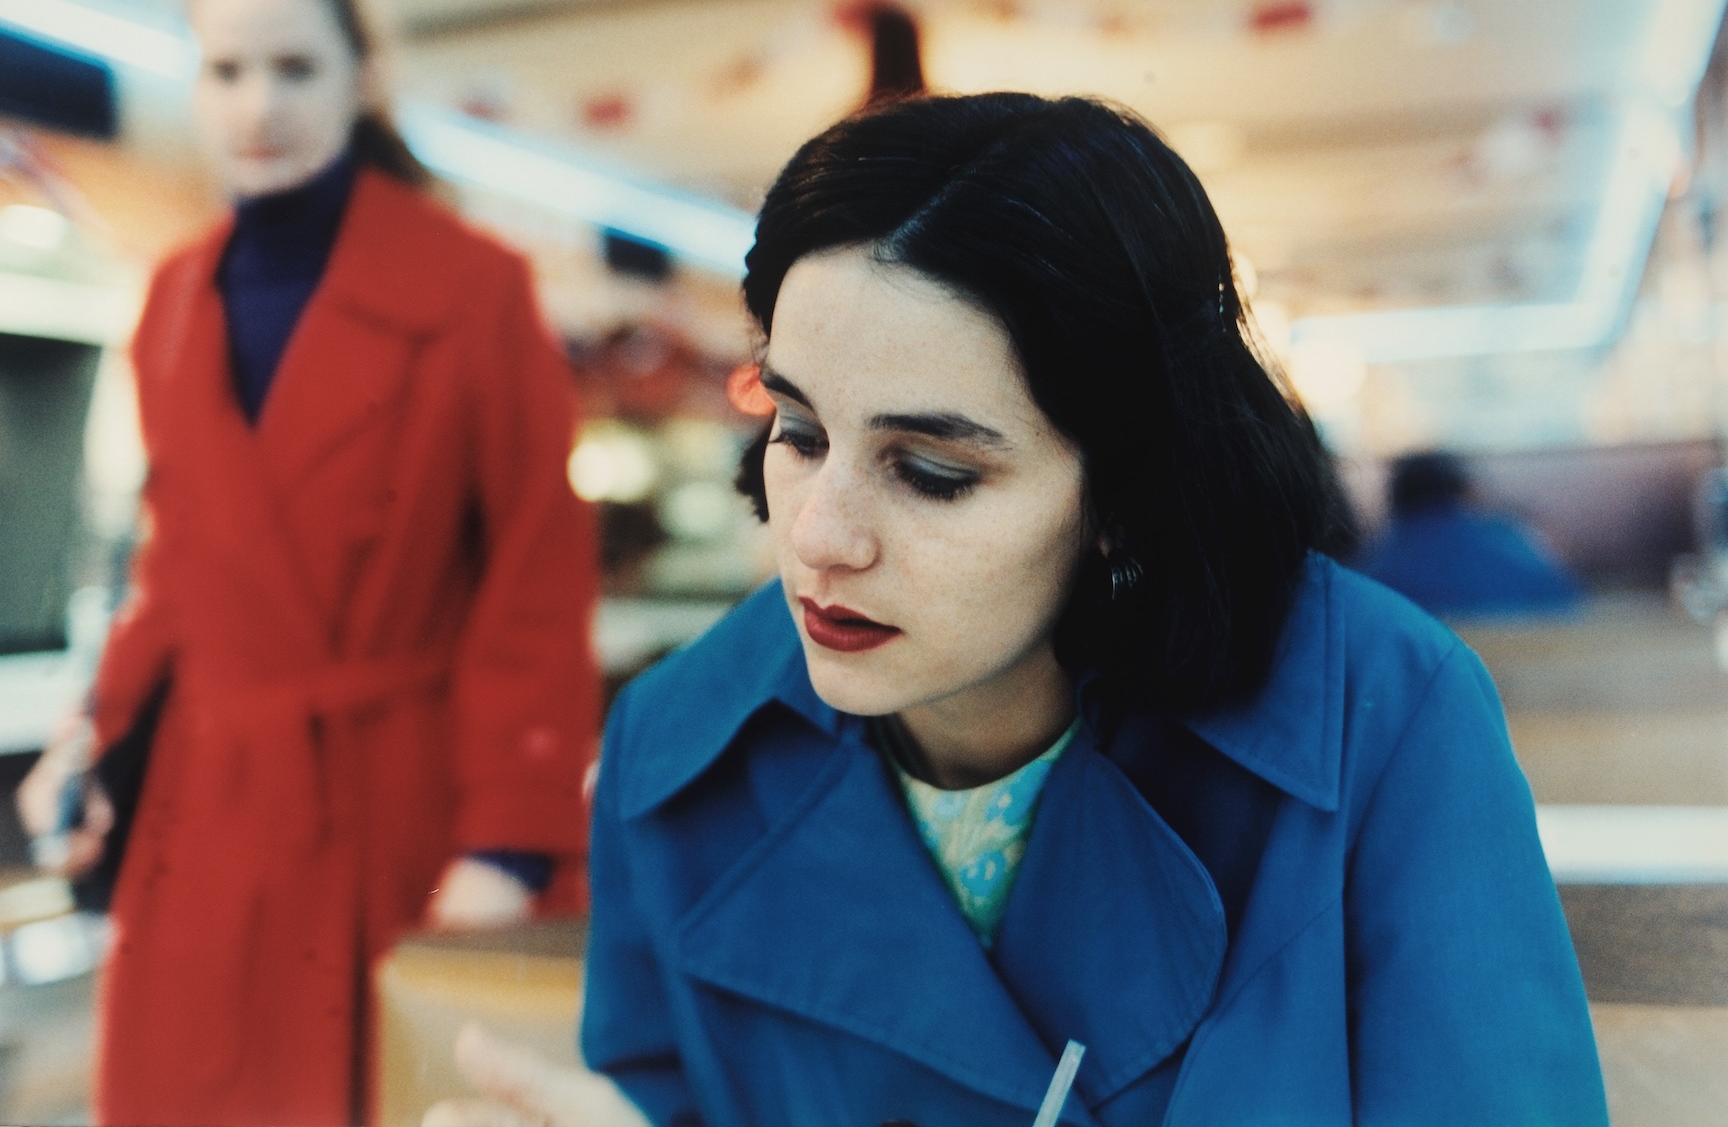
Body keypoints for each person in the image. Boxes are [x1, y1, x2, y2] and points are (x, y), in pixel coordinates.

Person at [428, 94, 1605, 1127]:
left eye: (932, 471)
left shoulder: (1379, 714)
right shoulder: (672, 752)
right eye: (798, 431)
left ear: (1126, 495)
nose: (817, 537)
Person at [14, 0, 599, 1127]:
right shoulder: (173, 299)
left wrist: (510, 842)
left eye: (293, 65)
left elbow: (535, 578)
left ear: (360, 75)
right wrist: (91, 733)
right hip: (207, 806)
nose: (258, 104)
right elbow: (179, 568)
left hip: (395, 798)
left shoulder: (474, 287)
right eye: (226, 70)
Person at [1358, 450, 1583, 618]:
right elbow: (1566, 599)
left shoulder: (1373, 574)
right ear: (1468, 492)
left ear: (1394, 500)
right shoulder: (1518, 555)